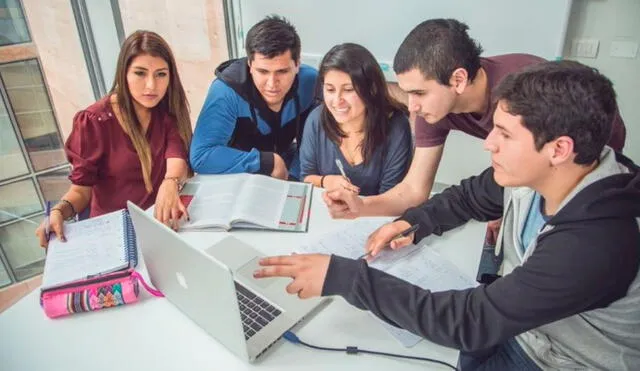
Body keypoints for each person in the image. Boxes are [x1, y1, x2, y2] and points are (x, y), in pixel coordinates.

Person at [254, 61, 640, 370]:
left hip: (555, 358)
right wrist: (411, 222)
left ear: (559, 149)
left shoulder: (595, 244)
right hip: (523, 325)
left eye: (504, 135)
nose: (488, 143)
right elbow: (469, 196)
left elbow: (472, 321)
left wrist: (343, 275)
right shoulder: (547, 171)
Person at [324, 18, 627, 218]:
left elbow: (549, 168)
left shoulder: (519, 93)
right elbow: (414, 191)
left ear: (457, 80)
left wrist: (518, 209)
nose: (412, 107)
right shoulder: (435, 107)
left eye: (419, 93)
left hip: (593, 146)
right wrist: (361, 206)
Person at [36, 30, 192, 246]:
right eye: (140, 73)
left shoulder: (165, 111)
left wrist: (170, 183)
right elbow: (82, 190)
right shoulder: (93, 121)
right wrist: (59, 211)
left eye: (161, 74)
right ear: (124, 74)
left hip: (158, 225)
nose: (151, 86)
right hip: (113, 234)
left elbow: (176, 157)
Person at [190, 15, 317, 180]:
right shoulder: (226, 91)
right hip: (237, 170)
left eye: (282, 71)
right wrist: (267, 162)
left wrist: (294, 178)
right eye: (263, 72)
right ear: (250, 65)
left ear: (297, 64)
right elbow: (201, 156)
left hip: (288, 163)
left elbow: (312, 145)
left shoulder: (311, 81)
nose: (272, 84)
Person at [299, 43, 412, 196]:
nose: (337, 100)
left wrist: (355, 206)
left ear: (371, 89)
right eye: (330, 89)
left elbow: (391, 196)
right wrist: (326, 181)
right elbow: (306, 178)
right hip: (327, 213)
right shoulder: (316, 119)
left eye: (348, 90)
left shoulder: (396, 126)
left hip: (376, 215)